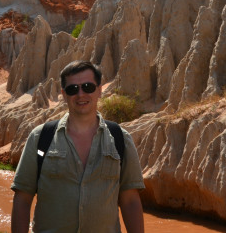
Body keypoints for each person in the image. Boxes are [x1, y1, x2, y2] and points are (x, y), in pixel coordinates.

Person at [11, 60, 145, 233]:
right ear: (63, 94)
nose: (81, 94)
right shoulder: (40, 138)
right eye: (72, 89)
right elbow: (22, 198)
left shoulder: (120, 139)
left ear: (99, 90)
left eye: (88, 87)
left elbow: (130, 200)